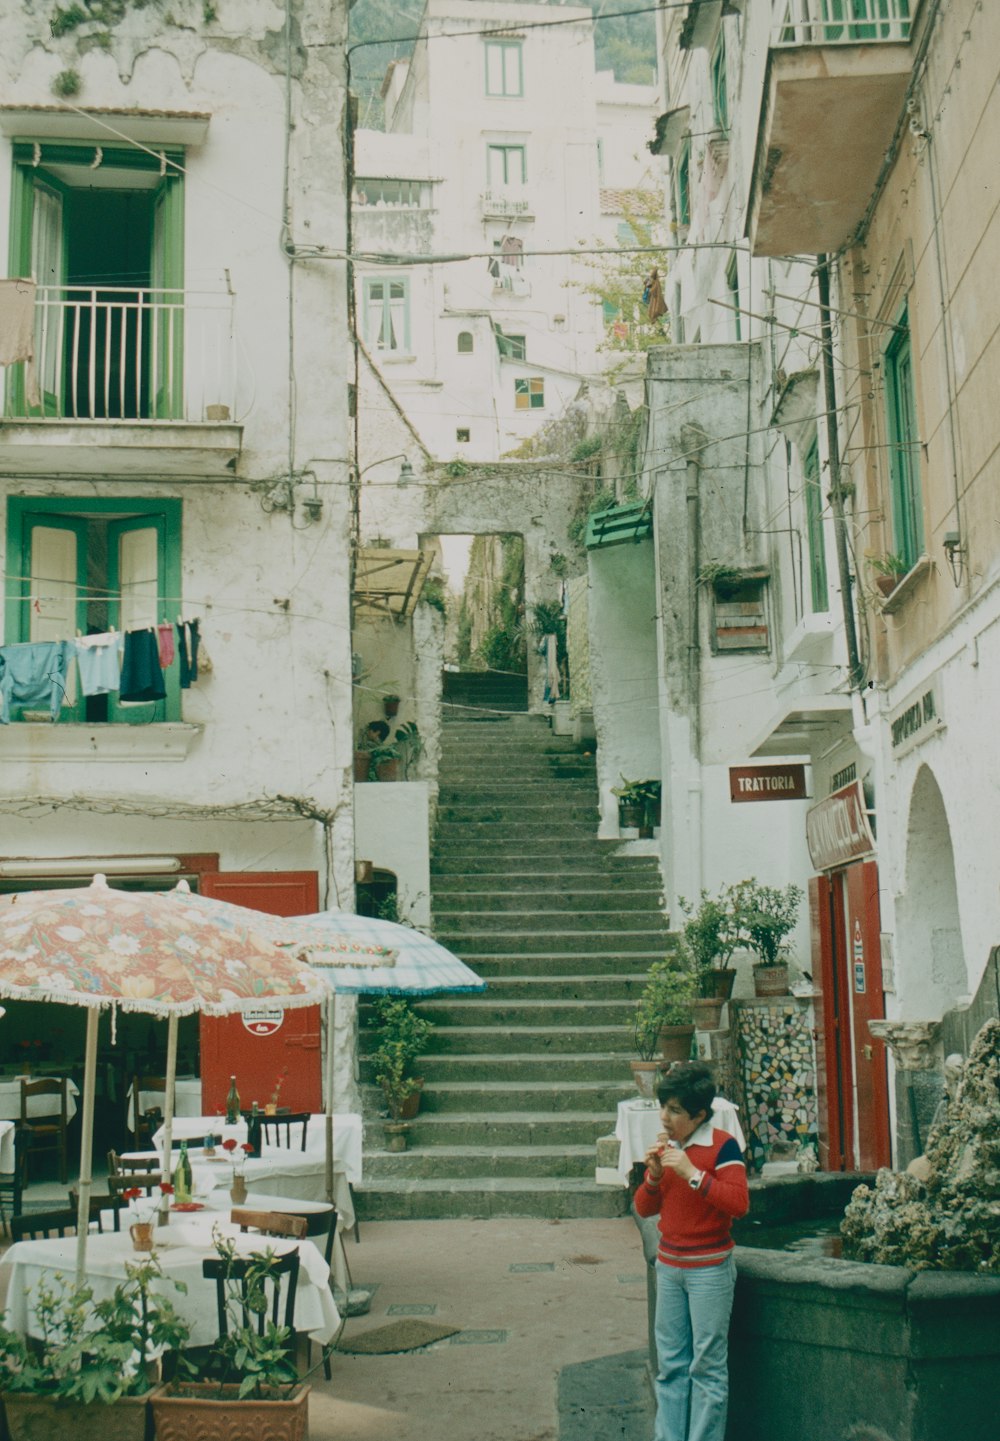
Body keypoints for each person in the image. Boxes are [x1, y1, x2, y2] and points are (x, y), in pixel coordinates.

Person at [634, 1062, 749, 1441]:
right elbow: (645, 1208)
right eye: (663, 1107)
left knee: (707, 1368)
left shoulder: (722, 1146)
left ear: (699, 1114)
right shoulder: (668, 1149)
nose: (665, 1117)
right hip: (669, 1267)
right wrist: (653, 1175)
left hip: (709, 1271)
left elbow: (738, 1202)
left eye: (675, 1110)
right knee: (670, 1367)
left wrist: (693, 1174)